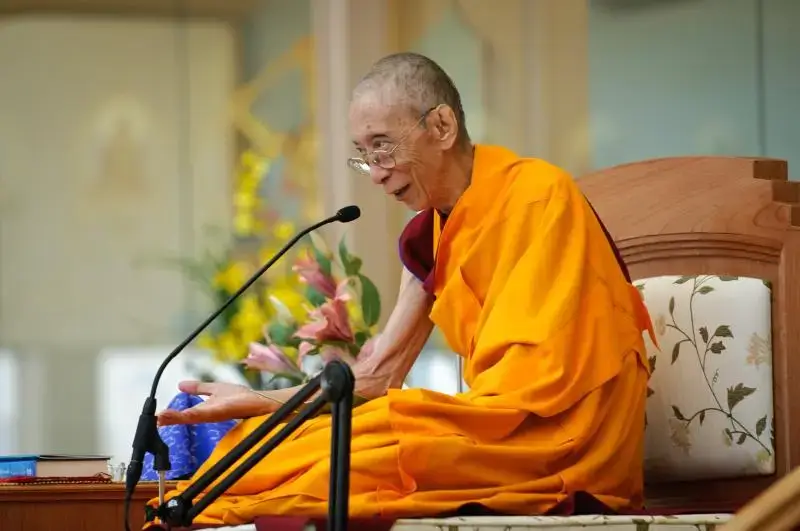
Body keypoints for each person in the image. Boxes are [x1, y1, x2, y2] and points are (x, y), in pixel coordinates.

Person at [146, 52, 654, 527]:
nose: (375, 172)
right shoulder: (428, 236)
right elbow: (376, 378)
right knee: (281, 442)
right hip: (495, 429)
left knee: (364, 446)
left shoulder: (541, 196)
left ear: (442, 126)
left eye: (382, 146)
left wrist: (455, 418)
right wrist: (258, 399)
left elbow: (548, 379)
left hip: (566, 437)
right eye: (362, 155)